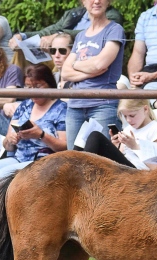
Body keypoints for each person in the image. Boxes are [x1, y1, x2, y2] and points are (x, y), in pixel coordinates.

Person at [0, 64, 67, 253]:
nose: (33, 91)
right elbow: (7, 145)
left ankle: (6, 234)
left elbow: (64, 146)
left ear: (50, 85)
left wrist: (41, 135)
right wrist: (11, 139)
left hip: (46, 160)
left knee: (3, 174)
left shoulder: (61, 108)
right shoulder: (24, 106)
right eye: (29, 87)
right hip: (19, 156)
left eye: (38, 86)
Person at [61, 0, 126, 150]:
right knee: (73, 160)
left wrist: (76, 65)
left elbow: (100, 64)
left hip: (103, 104)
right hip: (75, 104)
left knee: (101, 161)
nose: (96, 1)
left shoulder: (114, 29)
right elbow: (65, 71)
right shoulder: (80, 36)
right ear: (83, 2)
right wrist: (88, 70)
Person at [77, 99, 157, 169]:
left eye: (132, 115)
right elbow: (123, 156)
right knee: (84, 140)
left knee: (95, 137)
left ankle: (79, 173)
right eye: (125, 116)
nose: (128, 120)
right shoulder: (128, 129)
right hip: (123, 167)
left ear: (145, 109)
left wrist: (135, 147)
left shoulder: (155, 128)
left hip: (138, 172)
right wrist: (116, 146)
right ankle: (76, 170)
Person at [8, 3, 124, 51]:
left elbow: (91, 33)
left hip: (81, 54)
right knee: (20, 48)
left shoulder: (112, 17)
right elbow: (52, 29)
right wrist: (22, 35)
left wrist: (58, 36)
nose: (96, 1)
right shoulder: (74, 13)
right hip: (58, 54)